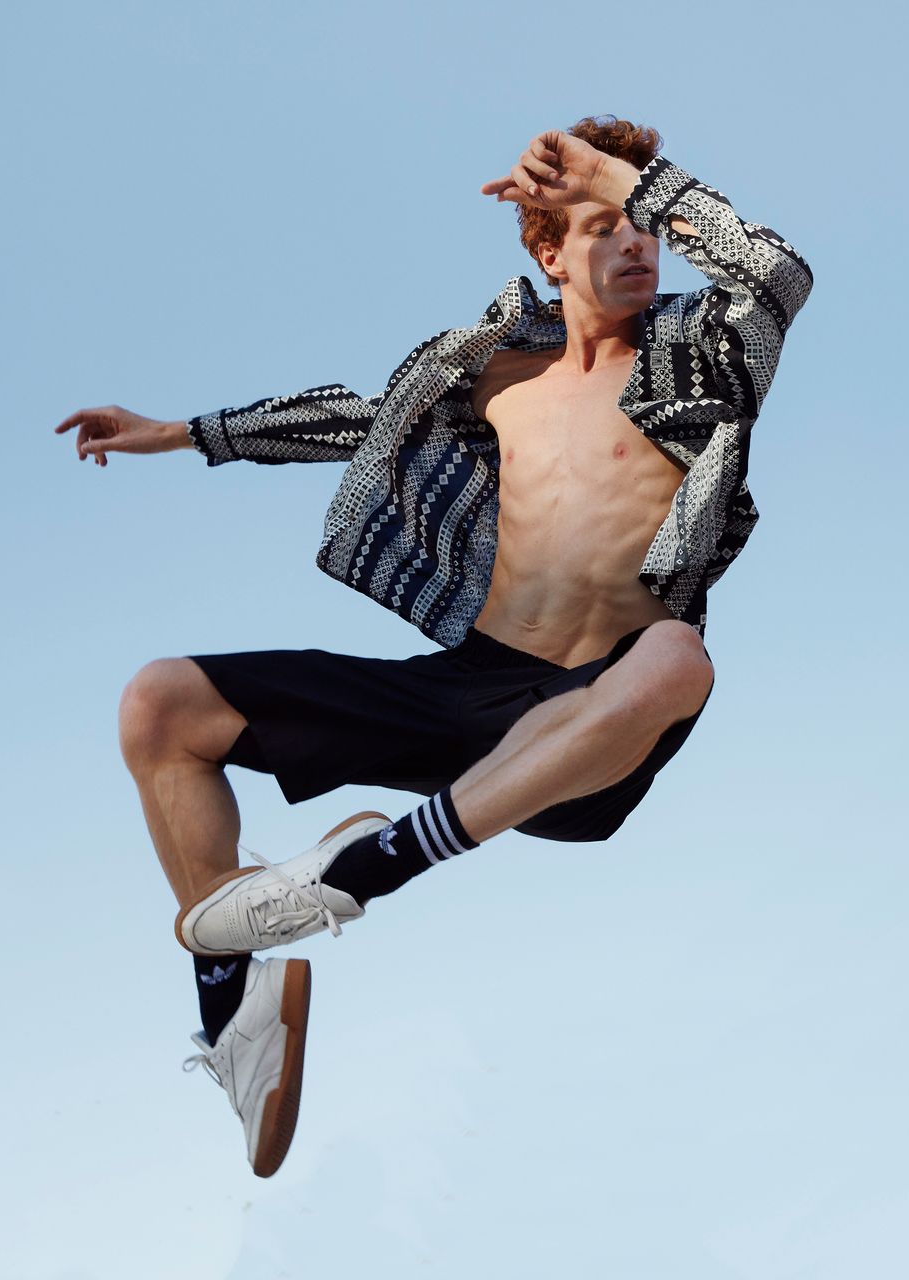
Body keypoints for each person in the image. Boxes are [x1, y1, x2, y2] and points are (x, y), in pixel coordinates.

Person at [54, 116, 811, 1177]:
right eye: (603, 226)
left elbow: (775, 269)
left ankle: (373, 864)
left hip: (600, 714)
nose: (638, 244)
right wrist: (183, 430)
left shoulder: (709, 350)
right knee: (160, 703)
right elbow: (359, 421)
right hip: (468, 688)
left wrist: (626, 179)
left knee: (678, 657)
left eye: (646, 224)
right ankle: (240, 1002)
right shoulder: (496, 371)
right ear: (547, 253)